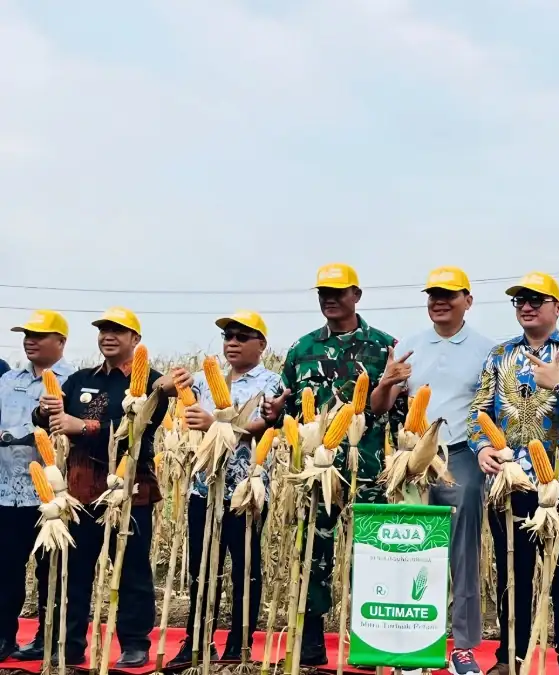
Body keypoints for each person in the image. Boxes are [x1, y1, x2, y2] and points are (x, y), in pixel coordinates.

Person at [259, 263, 398, 666]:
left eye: (338, 292)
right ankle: (312, 639)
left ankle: (368, 638)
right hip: (314, 473)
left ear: (356, 295)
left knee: (368, 555)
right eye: (323, 292)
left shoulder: (384, 347)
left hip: (366, 469)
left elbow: (402, 412)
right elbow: (282, 403)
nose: (330, 299)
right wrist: (274, 411)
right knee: (312, 554)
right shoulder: (301, 350)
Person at [30, 307, 180, 668]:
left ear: (135, 339)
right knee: (74, 571)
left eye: (118, 330)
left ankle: (134, 643)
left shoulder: (154, 383)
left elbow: (135, 430)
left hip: (129, 488)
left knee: (131, 570)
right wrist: (43, 411)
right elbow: (52, 420)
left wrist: (81, 426)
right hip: (80, 488)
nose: (108, 336)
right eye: (103, 330)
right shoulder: (79, 378)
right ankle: (69, 643)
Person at [467, 272, 559, 675]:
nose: (526, 306)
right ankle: (512, 658)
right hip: (510, 484)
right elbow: (479, 411)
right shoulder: (498, 355)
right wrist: (482, 447)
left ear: (557, 308)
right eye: (520, 300)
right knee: (514, 573)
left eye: (536, 300)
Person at [371, 266, 493, 675]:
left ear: (468, 301)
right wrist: (387, 381)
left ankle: (462, 645)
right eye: (433, 295)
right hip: (414, 458)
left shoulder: (485, 350)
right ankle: (413, 642)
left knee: (462, 548)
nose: (439, 301)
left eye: (449, 295)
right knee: (414, 547)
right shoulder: (408, 345)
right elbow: (380, 406)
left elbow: (492, 408)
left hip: (460, 454)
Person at [168, 311, 281, 666]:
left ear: (261, 345)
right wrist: (171, 384)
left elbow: (264, 424)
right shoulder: (203, 380)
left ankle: (240, 643)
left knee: (245, 566)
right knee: (202, 568)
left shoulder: (271, 382)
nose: (231, 342)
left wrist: (216, 422)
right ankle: (196, 640)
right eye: (227, 336)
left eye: (241, 336)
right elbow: (175, 403)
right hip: (204, 487)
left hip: (247, 489)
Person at [0, 310, 75, 662]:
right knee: (6, 570)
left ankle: (49, 639)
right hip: (6, 492)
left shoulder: (74, 381)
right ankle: (4, 637)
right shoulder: (7, 381)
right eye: (26, 333)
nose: (30, 339)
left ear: (60, 342)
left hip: (52, 498)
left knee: (52, 573)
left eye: (39, 334)